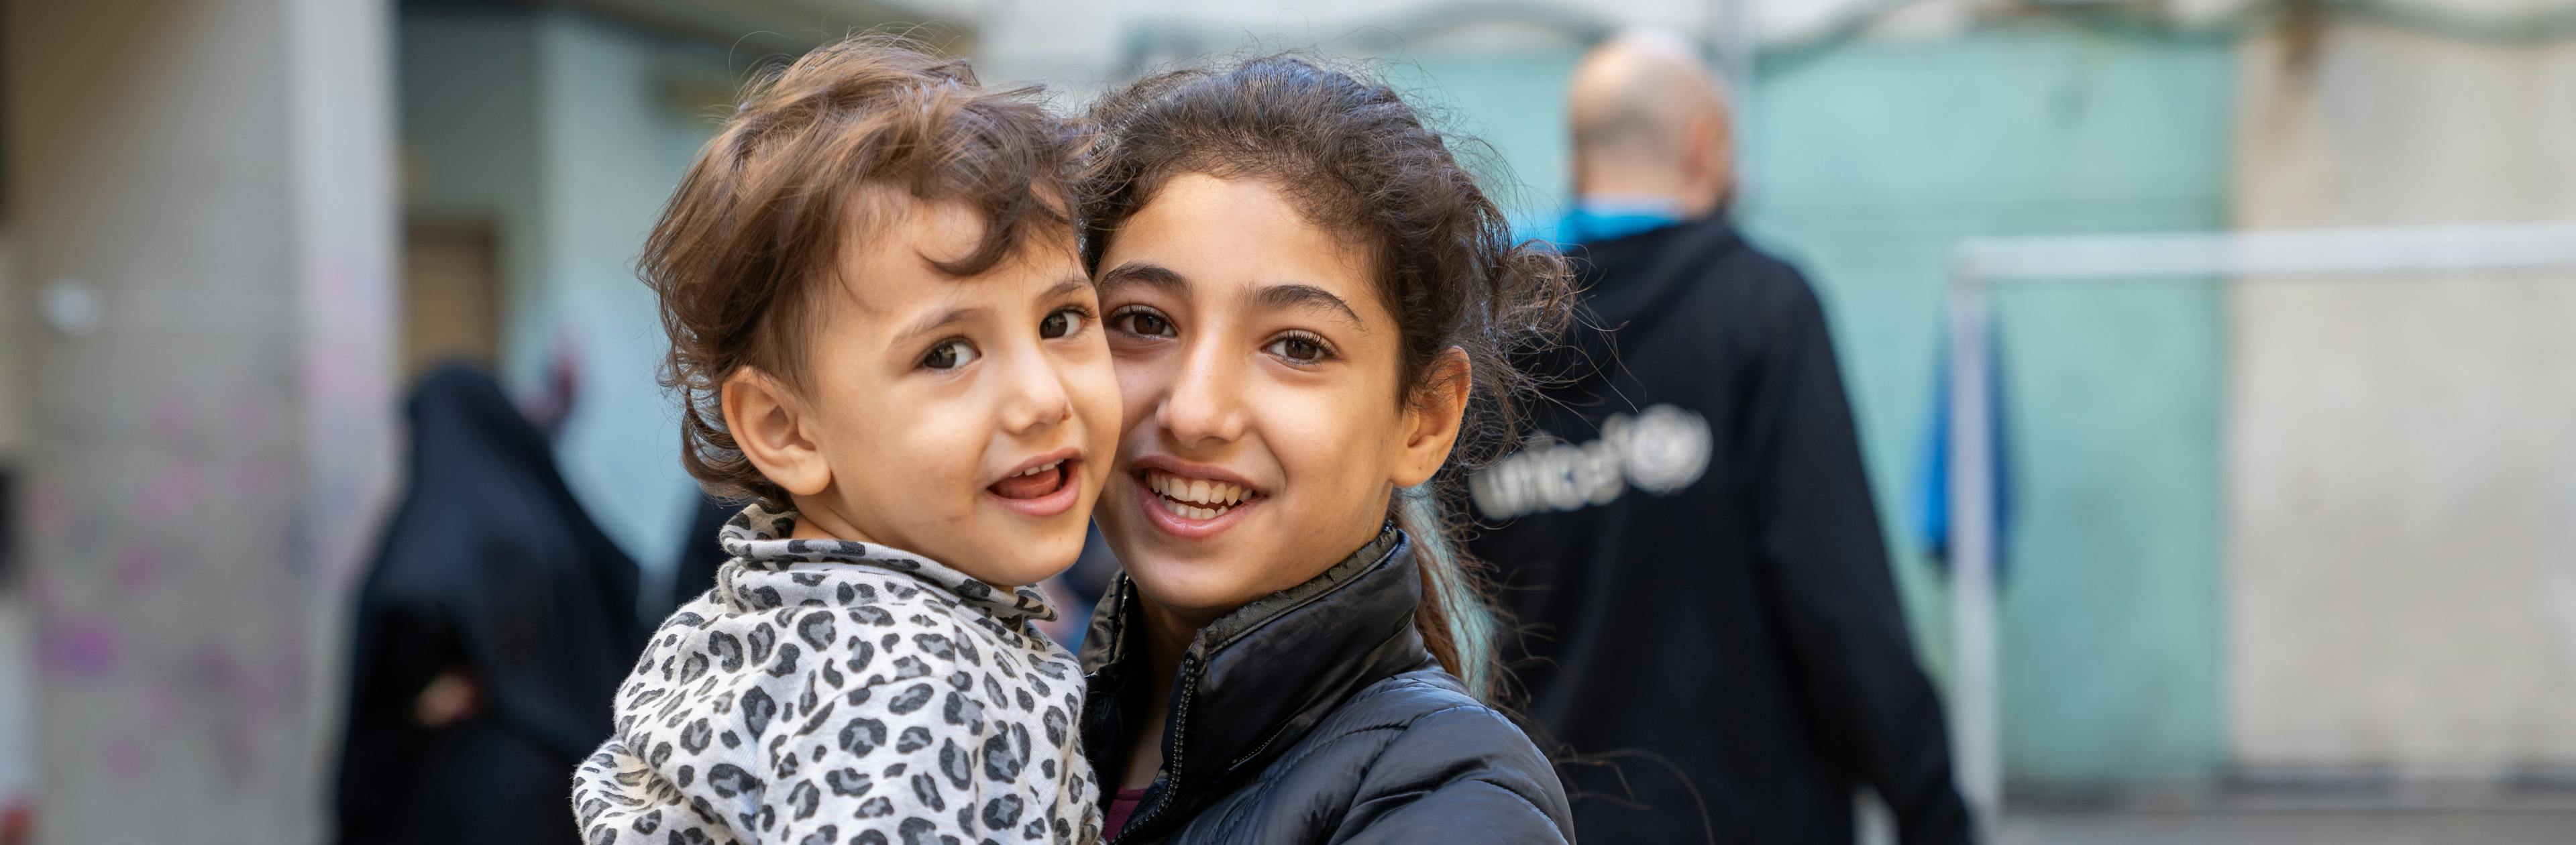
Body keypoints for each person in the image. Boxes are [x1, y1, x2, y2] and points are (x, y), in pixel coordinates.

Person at [570, 36, 1118, 844]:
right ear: (785, 430)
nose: (1041, 398)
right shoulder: (913, 682)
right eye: (947, 353)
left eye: (1062, 321)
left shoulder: (752, 624)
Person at [1462, 29, 1974, 844]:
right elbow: (1838, 599)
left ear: (1582, 159)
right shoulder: (1759, 310)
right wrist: (1932, 809)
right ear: (1706, 147)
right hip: (1753, 816)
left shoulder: (1490, 349)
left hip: (1548, 818)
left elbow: (1476, 572)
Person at [1073, 54, 1578, 843]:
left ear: (1425, 420)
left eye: (1298, 347)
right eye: (1144, 322)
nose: (1196, 411)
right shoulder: (1006, 725)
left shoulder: (1452, 798)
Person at [336, 363, 641, 845]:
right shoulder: (544, 515)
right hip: (568, 780)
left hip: (459, 788)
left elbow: (407, 600)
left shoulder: (432, 525)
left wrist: (441, 685)